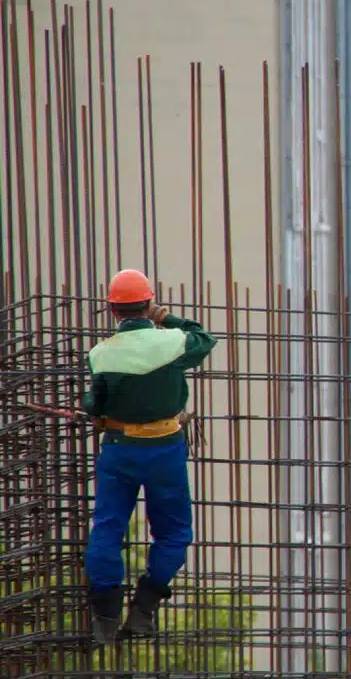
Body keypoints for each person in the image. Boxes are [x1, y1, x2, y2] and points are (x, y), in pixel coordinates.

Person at [82, 269, 218, 643]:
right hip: (165, 448)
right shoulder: (173, 342)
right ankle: (144, 606)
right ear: (148, 303)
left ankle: (106, 616)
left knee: (107, 527)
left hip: (119, 449)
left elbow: (96, 404)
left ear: (112, 309)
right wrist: (166, 317)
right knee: (174, 532)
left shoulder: (100, 354)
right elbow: (205, 338)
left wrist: (96, 412)